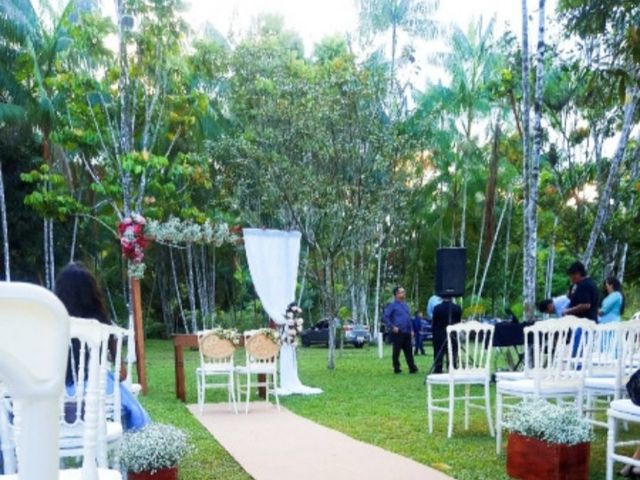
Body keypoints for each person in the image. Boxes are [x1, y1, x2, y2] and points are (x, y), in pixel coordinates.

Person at [55, 262, 150, 431]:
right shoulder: (102, 323)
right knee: (131, 408)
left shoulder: (51, 322)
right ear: (92, 292)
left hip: (56, 390)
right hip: (96, 387)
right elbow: (122, 373)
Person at [383, 286, 418, 374]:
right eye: (402, 292)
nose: (404, 293)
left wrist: (412, 330)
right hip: (398, 332)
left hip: (407, 331)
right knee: (396, 351)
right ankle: (396, 368)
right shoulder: (392, 305)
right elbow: (385, 317)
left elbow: (408, 318)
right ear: (397, 294)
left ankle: (412, 367)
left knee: (409, 351)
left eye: (404, 292)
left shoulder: (405, 305)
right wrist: (392, 326)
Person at [431, 296, 462, 374]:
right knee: (453, 352)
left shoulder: (437, 308)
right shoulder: (457, 308)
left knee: (439, 353)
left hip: (439, 334)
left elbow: (434, 323)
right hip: (453, 334)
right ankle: (452, 367)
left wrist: (434, 334)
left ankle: (438, 369)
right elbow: (458, 322)